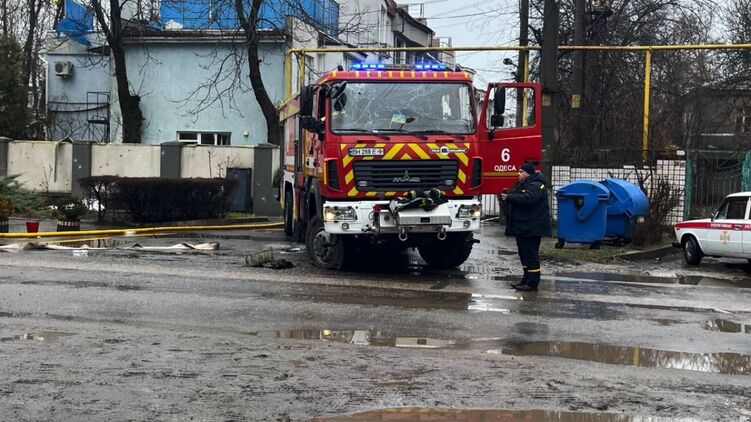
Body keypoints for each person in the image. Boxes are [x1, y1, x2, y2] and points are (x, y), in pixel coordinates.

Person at [500, 161, 552, 291]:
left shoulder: (536, 185)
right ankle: (526, 279)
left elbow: (529, 199)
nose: (518, 174)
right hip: (524, 227)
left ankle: (532, 282)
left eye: (521, 172)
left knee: (530, 254)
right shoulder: (524, 184)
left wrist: (509, 197)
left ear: (528, 173)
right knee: (523, 253)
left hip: (532, 228)